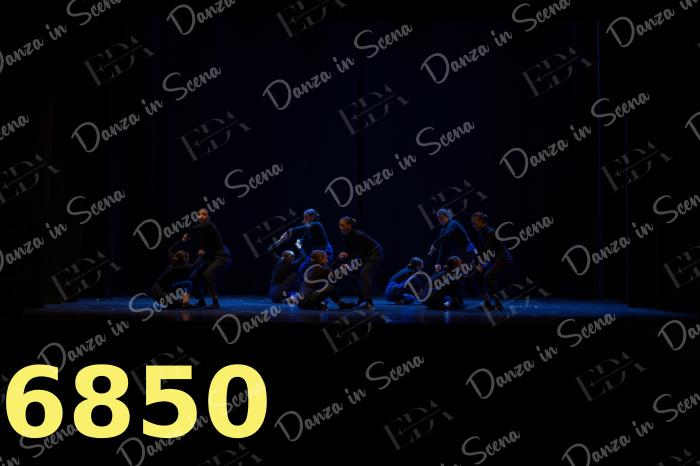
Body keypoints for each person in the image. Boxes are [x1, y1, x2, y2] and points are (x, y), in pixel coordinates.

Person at [183, 208, 232, 309]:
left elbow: (193, 228)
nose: (201, 216)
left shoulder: (210, 225)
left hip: (222, 256)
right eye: (199, 214)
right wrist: (204, 252)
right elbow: (205, 247)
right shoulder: (201, 231)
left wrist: (188, 233)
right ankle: (201, 301)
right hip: (211, 257)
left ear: (208, 217)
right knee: (193, 276)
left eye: (204, 214)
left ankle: (215, 302)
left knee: (208, 274)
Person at [337, 216, 383, 310]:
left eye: (342, 225)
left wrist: (348, 263)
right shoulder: (346, 237)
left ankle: (369, 303)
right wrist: (346, 257)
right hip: (364, 256)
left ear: (349, 226)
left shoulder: (358, 235)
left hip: (374, 254)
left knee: (364, 274)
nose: (340, 227)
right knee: (352, 274)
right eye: (339, 225)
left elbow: (358, 253)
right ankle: (362, 296)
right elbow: (352, 253)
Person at [471, 212, 514, 311]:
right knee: (477, 276)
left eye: (474, 223)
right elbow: (482, 251)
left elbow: (486, 250)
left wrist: (476, 263)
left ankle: (498, 303)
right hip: (493, 259)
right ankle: (487, 303)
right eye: (472, 223)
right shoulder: (480, 234)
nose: (473, 226)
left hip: (503, 259)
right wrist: (477, 263)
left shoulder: (491, 232)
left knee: (488, 277)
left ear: (482, 222)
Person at [150, 240, 201, 309]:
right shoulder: (177, 268)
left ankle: (183, 303)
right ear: (183, 260)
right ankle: (170, 302)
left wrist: (182, 240)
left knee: (187, 284)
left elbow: (170, 250)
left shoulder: (174, 261)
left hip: (164, 289)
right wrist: (200, 255)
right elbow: (194, 265)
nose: (187, 261)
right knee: (179, 303)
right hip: (158, 292)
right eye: (186, 259)